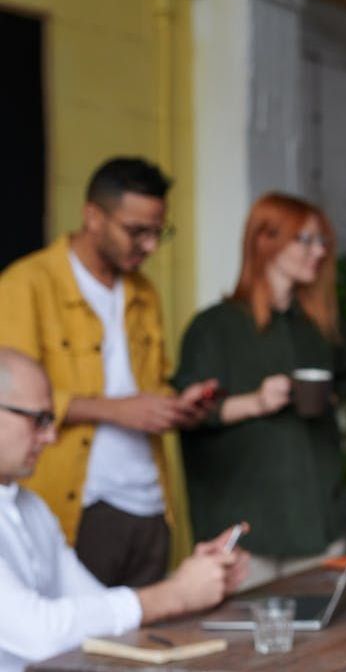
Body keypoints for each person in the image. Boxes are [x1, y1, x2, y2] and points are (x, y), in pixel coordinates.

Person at [0, 157, 218, 587]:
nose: (151, 246)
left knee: (150, 640)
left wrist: (175, 408)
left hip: (151, 503)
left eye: (159, 232)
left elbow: (148, 386)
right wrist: (117, 411)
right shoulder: (26, 285)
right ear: (93, 217)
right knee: (81, 645)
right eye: (137, 231)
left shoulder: (144, 293)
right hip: (79, 504)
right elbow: (12, 400)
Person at [0, 347, 247, 672]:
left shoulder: (32, 509)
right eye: (40, 420)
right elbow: (40, 634)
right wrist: (176, 594)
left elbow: (94, 605)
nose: (52, 435)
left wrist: (195, 581)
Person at [172, 193, 346, 589]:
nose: (319, 251)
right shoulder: (214, 327)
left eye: (322, 240)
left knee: (330, 644)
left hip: (320, 521)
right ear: (265, 241)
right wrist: (257, 401)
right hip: (248, 533)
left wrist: (325, 397)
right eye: (305, 240)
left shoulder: (319, 327)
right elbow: (188, 413)